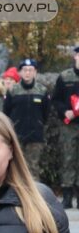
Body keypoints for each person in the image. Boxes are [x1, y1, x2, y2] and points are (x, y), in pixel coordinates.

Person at [4, 58, 51, 182]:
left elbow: (46, 113)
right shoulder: (13, 90)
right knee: (14, 166)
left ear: (35, 72)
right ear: (20, 73)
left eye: (30, 70)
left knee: (33, 168)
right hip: (16, 134)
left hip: (35, 136)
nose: (27, 73)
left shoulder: (42, 91)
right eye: (24, 70)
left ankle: (33, 197)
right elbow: (6, 112)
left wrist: (39, 124)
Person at [50, 46, 79, 208]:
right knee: (67, 159)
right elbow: (56, 100)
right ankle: (67, 196)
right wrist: (64, 111)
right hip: (68, 126)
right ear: (75, 56)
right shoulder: (65, 77)